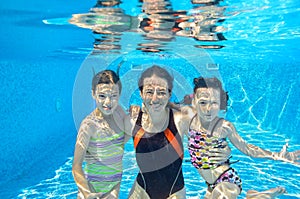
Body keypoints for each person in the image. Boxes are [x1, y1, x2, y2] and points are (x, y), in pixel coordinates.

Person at [185, 76, 300, 199]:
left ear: (220, 104)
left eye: (214, 103)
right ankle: (258, 195)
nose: (208, 109)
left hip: (226, 180)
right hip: (210, 184)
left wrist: (277, 155)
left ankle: (268, 193)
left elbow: (247, 148)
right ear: (194, 101)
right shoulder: (188, 121)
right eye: (203, 102)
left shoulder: (224, 126)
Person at [125, 65, 230, 199]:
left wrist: (225, 150)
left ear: (169, 94)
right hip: (141, 191)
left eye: (162, 92)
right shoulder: (133, 120)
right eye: (149, 92)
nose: (155, 98)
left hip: (173, 193)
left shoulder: (181, 119)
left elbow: (212, 135)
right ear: (141, 93)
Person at [72, 70, 127, 199]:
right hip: (91, 189)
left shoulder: (120, 116)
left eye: (113, 96)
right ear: (93, 94)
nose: (108, 102)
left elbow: (118, 146)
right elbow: (76, 166)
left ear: (119, 95)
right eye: (102, 96)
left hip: (114, 189)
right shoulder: (89, 125)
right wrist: (87, 193)